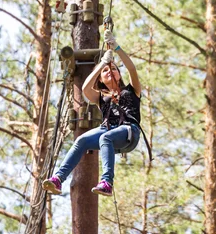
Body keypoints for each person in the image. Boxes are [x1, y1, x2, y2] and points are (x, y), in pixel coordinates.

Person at [43, 29, 142, 197]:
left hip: (129, 130)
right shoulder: (101, 98)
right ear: (101, 80)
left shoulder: (131, 91)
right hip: (108, 129)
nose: (110, 71)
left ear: (119, 74)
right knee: (81, 140)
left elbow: (131, 68)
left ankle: (107, 182)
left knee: (105, 137)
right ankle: (58, 179)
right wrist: (102, 64)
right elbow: (85, 88)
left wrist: (116, 47)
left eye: (114, 69)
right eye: (105, 72)